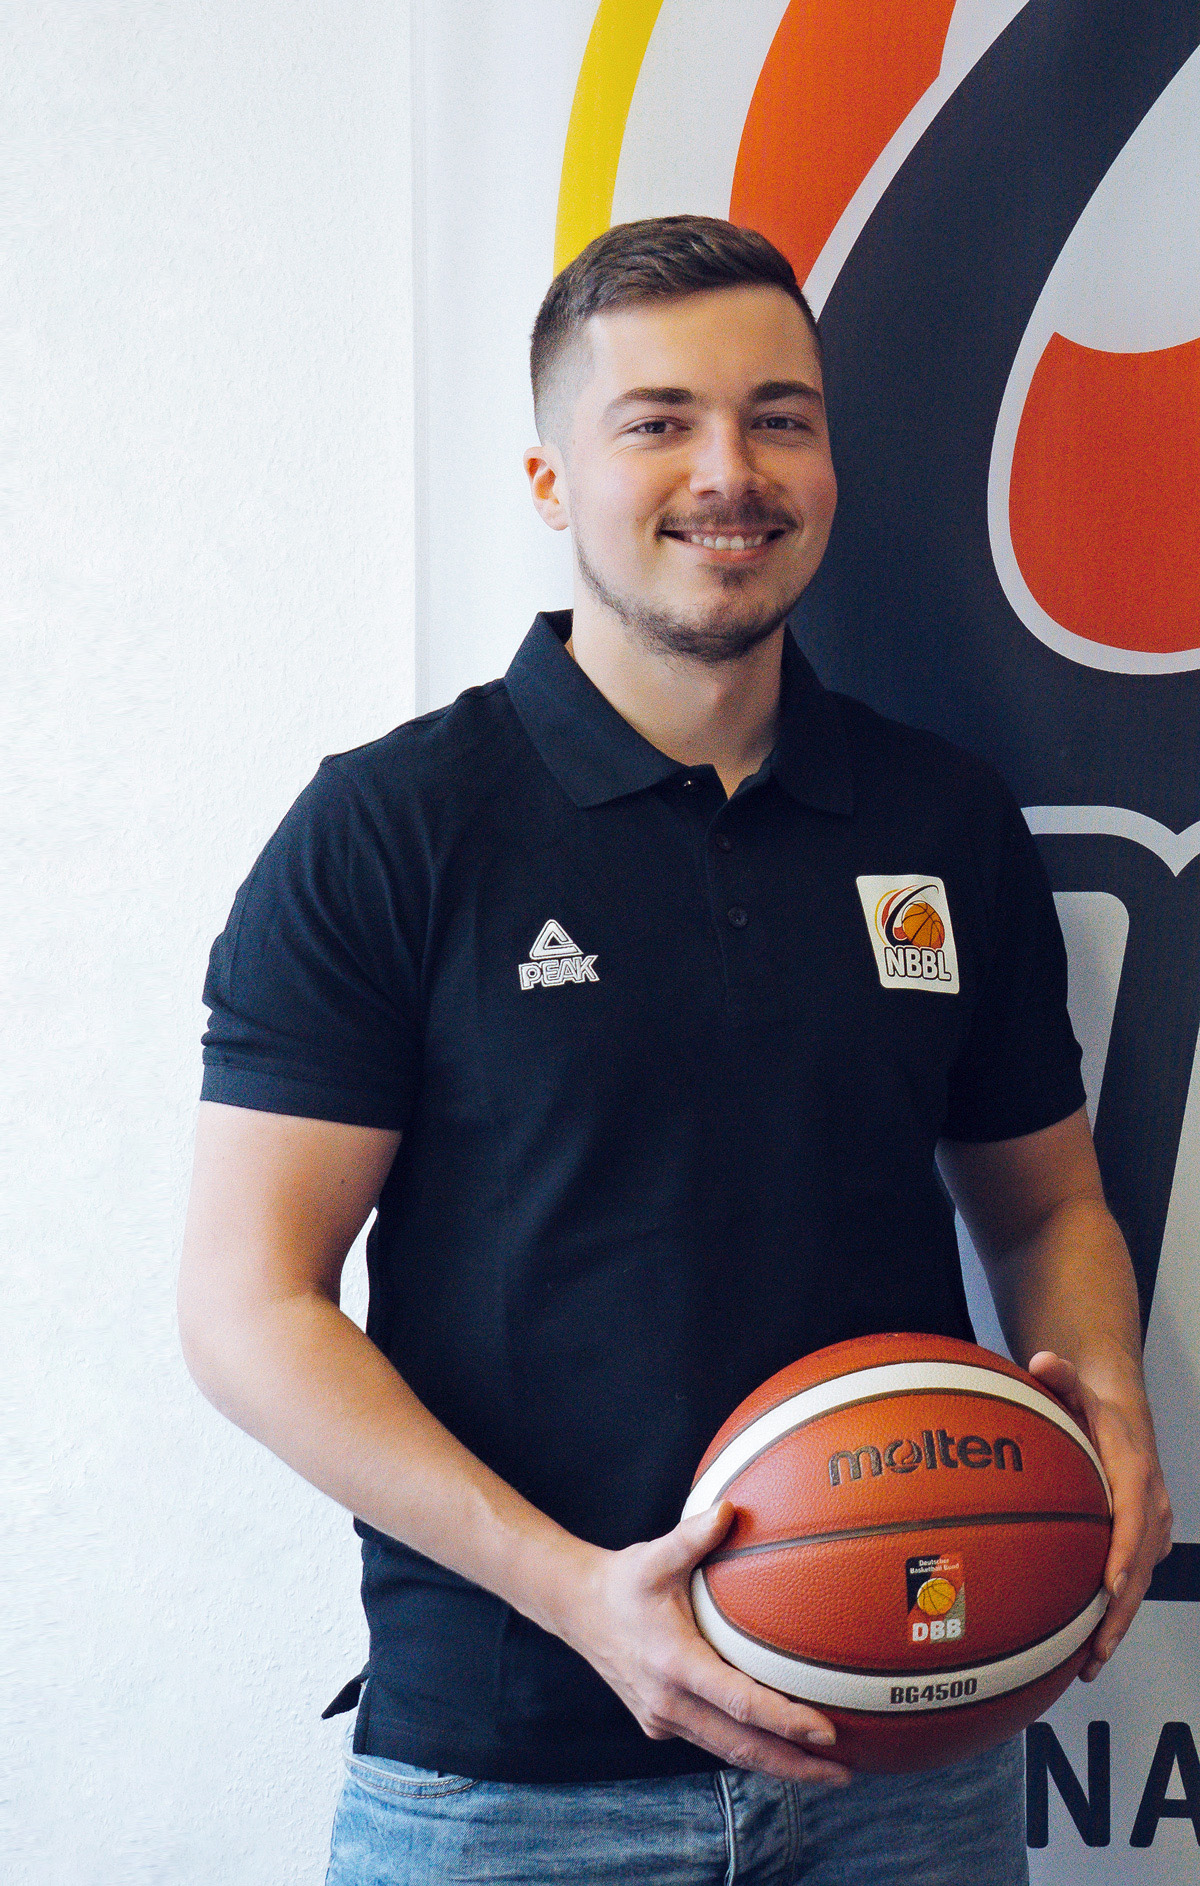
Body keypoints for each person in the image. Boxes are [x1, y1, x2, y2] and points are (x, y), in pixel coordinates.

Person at [179, 217, 1172, 1885]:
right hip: (512, 1780)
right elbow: (245, 1304)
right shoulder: (392, 828)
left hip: (904, 1760)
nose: (731, 471)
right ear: (550, 477)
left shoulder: (942, 818)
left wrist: (1114, 1406)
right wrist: (580, 1594)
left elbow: (1045, 1208)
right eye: (660, 421)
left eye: (781, 417)